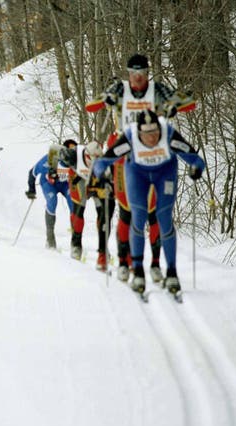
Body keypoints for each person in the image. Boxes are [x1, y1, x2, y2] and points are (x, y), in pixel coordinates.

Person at [86, 53, 196, 282]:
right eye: (133, 73)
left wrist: (174, 105)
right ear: (128, 73)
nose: (137, 78)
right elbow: (90, 106)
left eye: (142, 73)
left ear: (148, 73)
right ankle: (125, 261)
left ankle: (155, 263)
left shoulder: (157, 89)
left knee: (156, 210)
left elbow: (189, 103)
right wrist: (105, 99)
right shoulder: (120, 89)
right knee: (127, 209)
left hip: (154, 153)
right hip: (124, 154)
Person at [92, 109, 205, 295]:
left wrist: (196, 168)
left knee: (164, 217)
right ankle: (137, 271)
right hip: (137, 174)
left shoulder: (168, 133)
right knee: (138, 214)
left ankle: (171, 272)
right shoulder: (130, 137)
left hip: (165, 173)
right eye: (146, 134)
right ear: (139, 132)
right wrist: (101, 172)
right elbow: (104, 161)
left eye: (154, 133)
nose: (152, 138)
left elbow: (193, 156)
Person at [62, 141, 115, 271]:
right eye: (93, 159)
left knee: (103, 212)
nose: (95, 161)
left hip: (96, 181)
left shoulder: (105, 161)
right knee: (79, 208)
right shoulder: (75, 153)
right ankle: (76, 244)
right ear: (87, 155)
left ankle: (103, 248)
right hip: (78, 178)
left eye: (98, 159)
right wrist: (56, 167)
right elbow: (56, 153)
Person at [25, 143, 73, 249]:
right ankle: (50, 238)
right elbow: (32, 173)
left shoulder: (72, 159)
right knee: (52, 202)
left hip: (65, 184)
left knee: (73, 202)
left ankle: (76, 241)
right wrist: (31, 190)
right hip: (49, 184)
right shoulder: (45, 161)